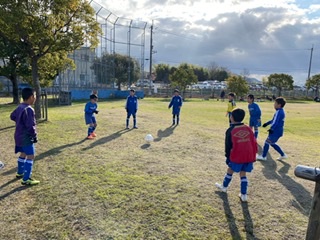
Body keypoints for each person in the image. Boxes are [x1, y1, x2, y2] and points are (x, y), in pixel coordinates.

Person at [215, 108, 257, 202]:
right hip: (248, 156)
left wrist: (227, 157)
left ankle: (224, 187)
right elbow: (253, 142)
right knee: (243, 173)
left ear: (231, 117)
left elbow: (228, 146)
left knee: (230, 170)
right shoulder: (248, 128)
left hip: (237, 156)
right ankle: (244, 194)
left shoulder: (231, 130)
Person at [10, 87, 40, 185]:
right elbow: (30, 126)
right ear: (31, 97)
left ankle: (20, 173)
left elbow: (12, 116)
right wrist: (34, 136)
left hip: (18, 135)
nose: (35, 98)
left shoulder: (20, 107)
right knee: (31, 156)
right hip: (26, 137)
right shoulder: (29, 109)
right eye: (34, 96)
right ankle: (26, 178)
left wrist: (19, 122)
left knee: (23, 153)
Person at [257, 97, 287, 161]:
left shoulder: (279, 112)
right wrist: (267, 123)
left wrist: (272, 129)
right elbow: (273, 120)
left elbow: (275, 122)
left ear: (279, 105)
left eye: (275, 103)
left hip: (276, 131)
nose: (274, 104)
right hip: (278, 130)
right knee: (272, 143)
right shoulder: (280, 111)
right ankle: (283, 155)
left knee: (267, 142)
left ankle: (263, 156)